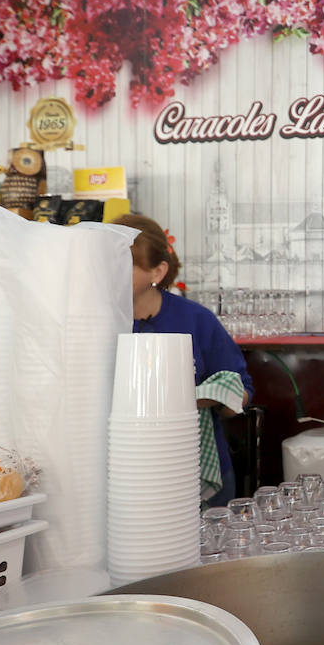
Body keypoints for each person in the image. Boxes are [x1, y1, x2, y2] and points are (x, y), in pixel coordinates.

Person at [117, 213, 253, 507]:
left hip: (195, 470)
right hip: (125, 473)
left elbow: (241, 393)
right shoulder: (94, 320)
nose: (110, 272)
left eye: (124, 264)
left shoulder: (195, 319)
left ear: (157, 271)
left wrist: (212, 396)